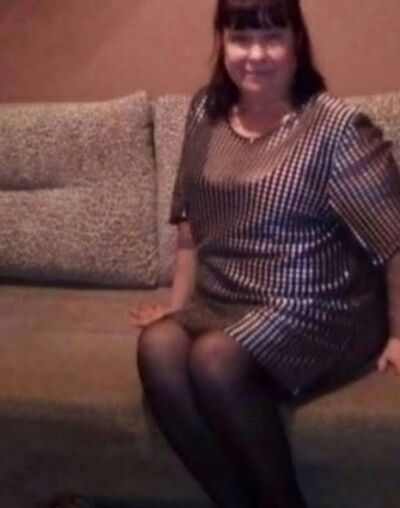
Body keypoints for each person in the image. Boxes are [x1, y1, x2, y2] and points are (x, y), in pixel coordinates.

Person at [132, 1, 400, 507]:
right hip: (226, 300)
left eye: (272, 37)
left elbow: (395, 237)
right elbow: (189, 228)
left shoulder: (336, 128)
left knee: (214, 359)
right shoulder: (205, 112)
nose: (255, 54)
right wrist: (177, 309)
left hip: (318, 305)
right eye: (241, 38)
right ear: (222, 43)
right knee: (158, 346)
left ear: (297, 42)